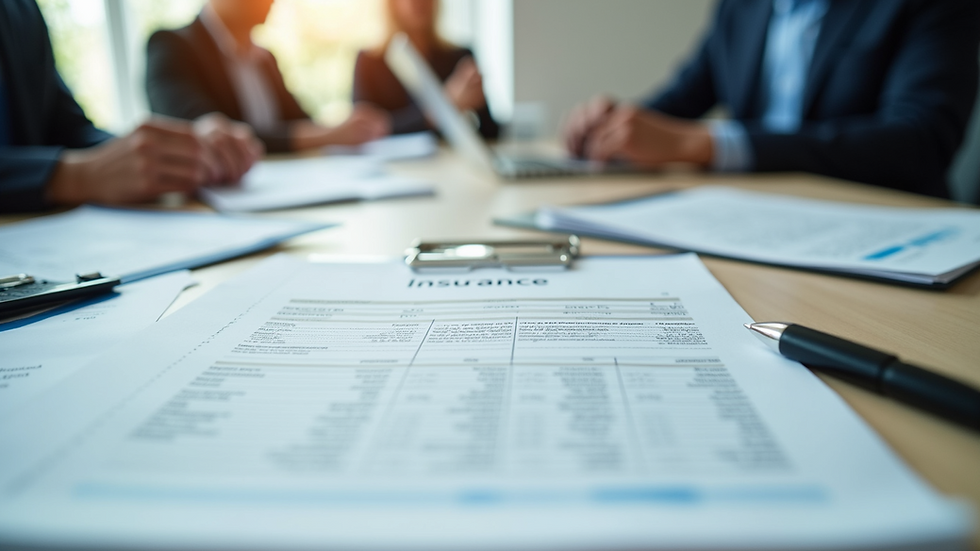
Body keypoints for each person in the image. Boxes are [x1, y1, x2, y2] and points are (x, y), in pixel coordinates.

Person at [562, 0, 980, 199]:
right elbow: (679, 102)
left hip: (887, 224)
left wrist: (711, 144)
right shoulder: (741, 9)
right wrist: (614, 126)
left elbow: (921, 139)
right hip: (756, 214)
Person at [0, 0, 261, 214]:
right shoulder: (172, 43)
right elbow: (81, 168)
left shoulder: (21, 8)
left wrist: (147, 154)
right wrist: (73, 176)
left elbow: (68, 127)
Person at [146, 0, 391, 153]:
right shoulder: (171, 45)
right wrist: (326, 135)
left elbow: (300, 123)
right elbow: (209, 135)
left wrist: (341, 128)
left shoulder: (264, 59)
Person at [353, 0, 499, 139]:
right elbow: (364, 130)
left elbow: (490, 131)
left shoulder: (461, 58)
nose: (418, 2)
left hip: (449, 156)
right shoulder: (369, 62)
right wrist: (447, 105)